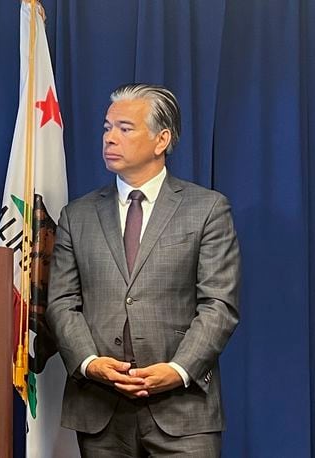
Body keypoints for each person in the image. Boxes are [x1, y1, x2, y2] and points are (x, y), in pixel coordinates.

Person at [45, 83, 240, 456]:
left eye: (124, 128)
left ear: (161, 139)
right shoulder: (78, 215)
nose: (109, 137)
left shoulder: (207, 209)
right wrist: (89, 363)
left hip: (184, 412)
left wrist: (179, 369)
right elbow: (61, 302)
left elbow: (219, 304)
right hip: (100, 409)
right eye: (106, 127)